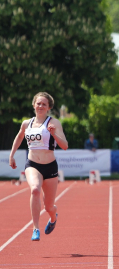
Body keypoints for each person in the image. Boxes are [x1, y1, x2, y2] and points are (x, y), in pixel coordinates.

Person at [9, 92, 68, 241]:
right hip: (32, 164)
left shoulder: (53, 123)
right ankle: (35, 228)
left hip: (50, 167)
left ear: (48, 107)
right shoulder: (26, 123)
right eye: (38, 103)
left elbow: (65, 146)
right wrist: (12, 154)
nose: (41, 106)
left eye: (44, 104)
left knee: (49, 207)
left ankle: (53, 218)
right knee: (34, 190)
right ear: (34, 105)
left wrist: (54, 134)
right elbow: (20, 136)